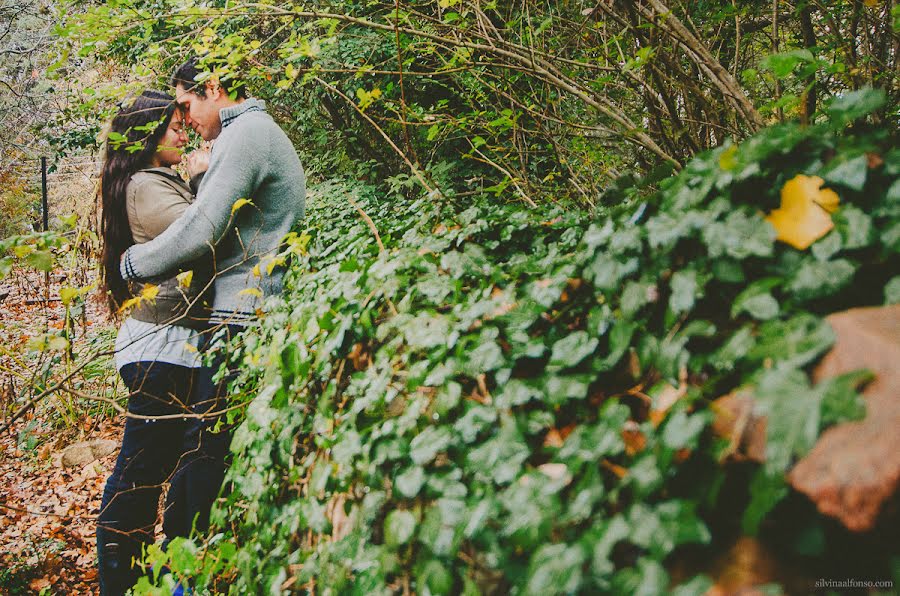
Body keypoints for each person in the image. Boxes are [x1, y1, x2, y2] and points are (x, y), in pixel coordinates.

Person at [118, 56, 306, 546]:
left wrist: (132, 264)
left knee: (204, 453)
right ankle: (186, 562)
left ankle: (184, 570)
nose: (186, 121)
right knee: (203, 451)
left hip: (241, 315)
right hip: (238, 311)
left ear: (214, 88)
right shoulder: (247, 135)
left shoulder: (247, 135)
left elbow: (202, 229)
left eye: (186, 104)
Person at [97, 89, 213, 595]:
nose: (182, 131)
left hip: (168, 344)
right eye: (173, 124)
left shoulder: (152, 180)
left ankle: (148, 579)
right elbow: (200, 233)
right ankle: (120, 583)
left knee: (161, 468)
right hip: (159, 346)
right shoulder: (145, 184)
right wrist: (206, 176)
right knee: (140, 475)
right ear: (148, 133)